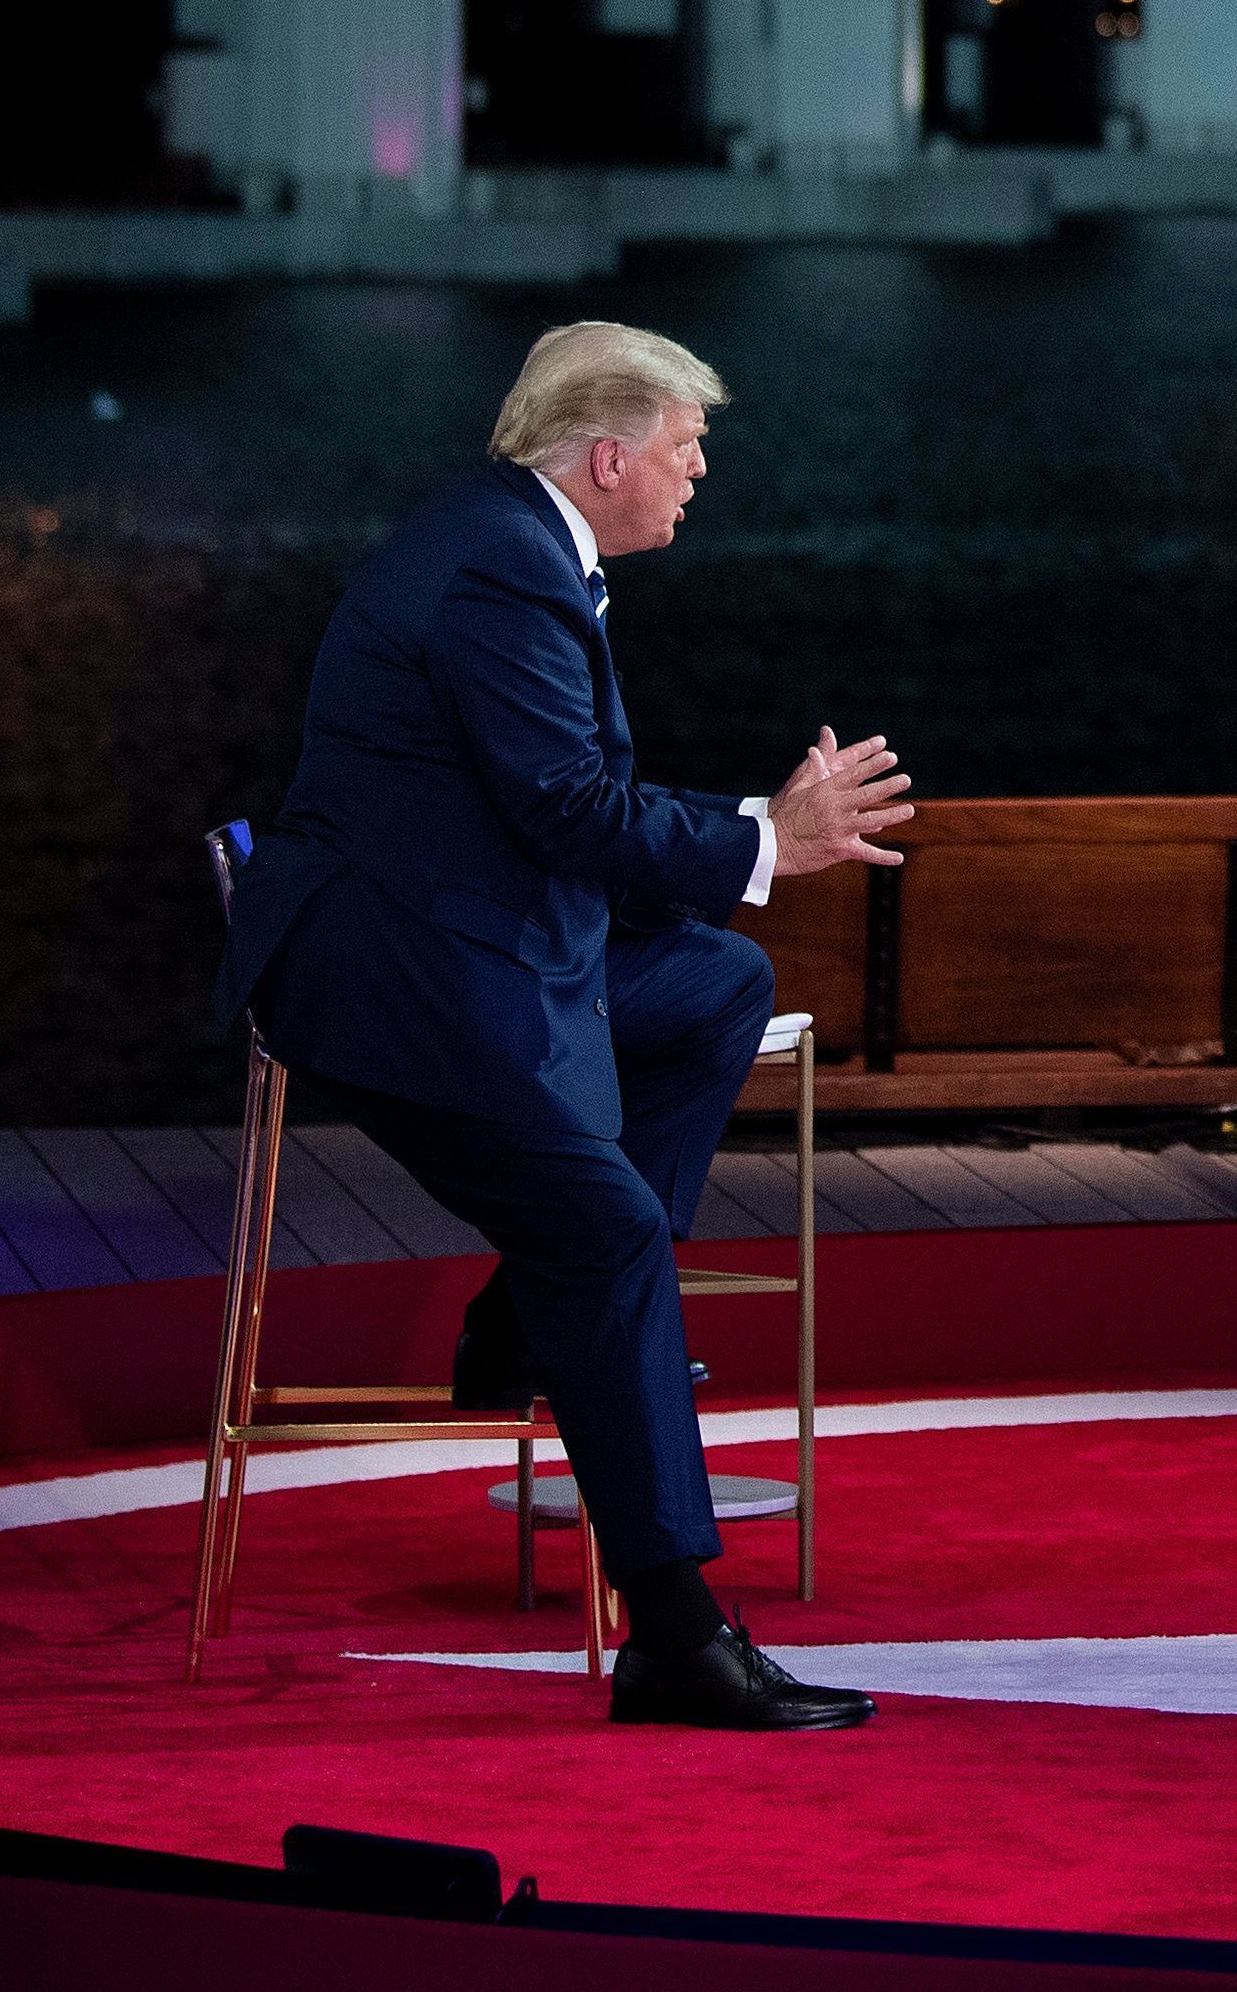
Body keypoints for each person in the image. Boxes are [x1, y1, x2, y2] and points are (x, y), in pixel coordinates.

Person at [218, 321, 913, 1731]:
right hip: (393, 976)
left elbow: (553, 808)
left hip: (470, 934)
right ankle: (674, 1636)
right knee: (603, 1231)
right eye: (684, 443)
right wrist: (766, 835)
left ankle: (530, 1322)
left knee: (715, 983)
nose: (699, 468)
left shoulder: (518, 548)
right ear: (609, 455)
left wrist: (750, 840)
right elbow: (566, 812)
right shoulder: (499, 568)